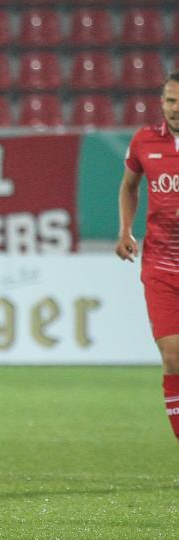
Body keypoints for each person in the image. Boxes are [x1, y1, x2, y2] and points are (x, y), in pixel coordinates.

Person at [117, 71, 179, 445]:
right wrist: (125, 230)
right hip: (160, 266)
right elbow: (129, 187)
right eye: (171, 101)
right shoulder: (145, 140)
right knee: (172, 356)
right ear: (163, 103)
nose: (177, 108)